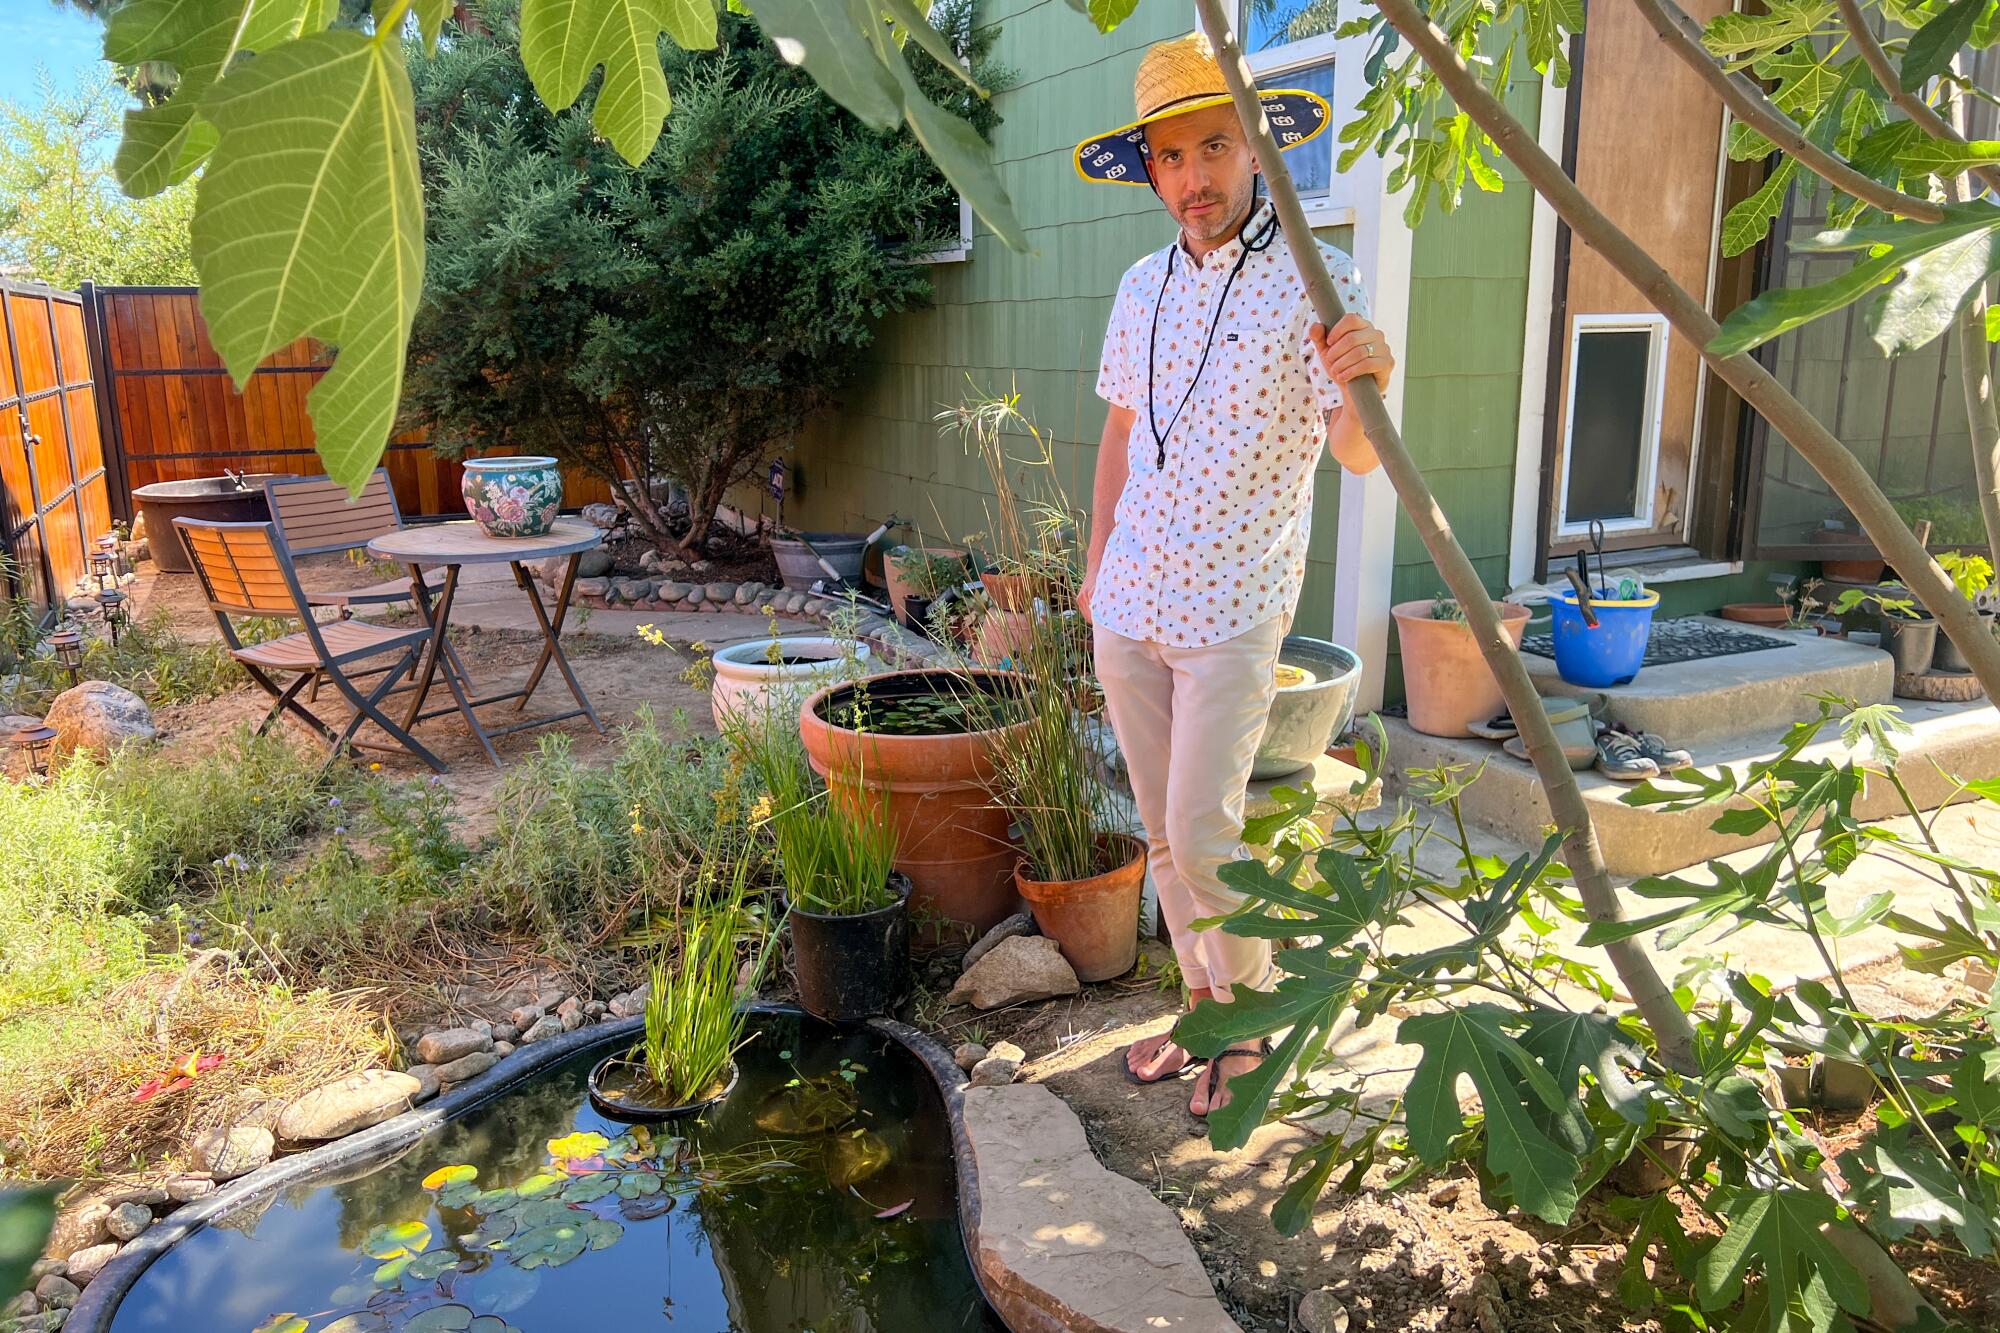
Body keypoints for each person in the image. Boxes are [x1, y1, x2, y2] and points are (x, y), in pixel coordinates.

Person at [1070, 32, 1396, 1118]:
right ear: (1150, 169)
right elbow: (1120, 433)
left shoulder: (1316, 276)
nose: (1192, 178)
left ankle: (1249, 1026)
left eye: (1214, 147)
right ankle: (1202, 1007)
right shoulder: (1135, 285)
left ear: (1257, 150)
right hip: (1130, 599)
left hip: (1229, 606)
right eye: (1169, 157)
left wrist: (1369, 376)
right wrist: (1092, 561)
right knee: (1162, 832)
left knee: (1205, 832)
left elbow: (1353, 451)